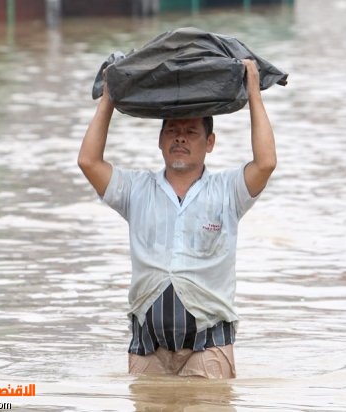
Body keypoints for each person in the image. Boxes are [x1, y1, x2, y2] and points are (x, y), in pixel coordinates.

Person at [78, 59, 276, 379]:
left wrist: (254, 92)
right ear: (160, 141)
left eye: (190, 132)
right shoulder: (136, 190)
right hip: (146, 347)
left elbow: (265, 163)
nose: (180, 138)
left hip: (209, 345)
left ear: (209, 143)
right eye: (172, 130)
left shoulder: (228, 191)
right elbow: (88, 161)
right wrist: (108, 98)